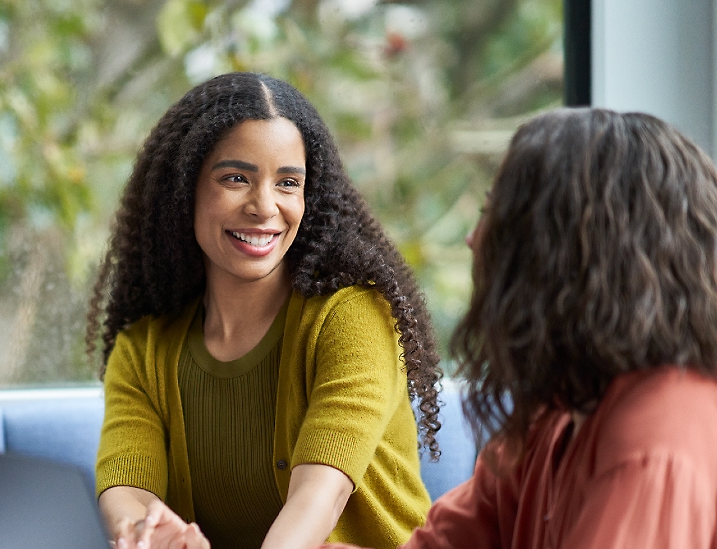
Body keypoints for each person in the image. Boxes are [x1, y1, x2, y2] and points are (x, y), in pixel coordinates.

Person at [324, 108, 717, 549]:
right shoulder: (556, 412)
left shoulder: (653, 446)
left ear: (554, 252)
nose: (473, 238)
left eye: (493, 213)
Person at [87, 72, 442, 549]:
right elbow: (127, 489)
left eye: (288, 183)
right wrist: (145, 531)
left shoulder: (354, 317)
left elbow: (321, 492)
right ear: (183, 191)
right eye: (236, 178)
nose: (264, 206)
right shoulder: (142, 350)